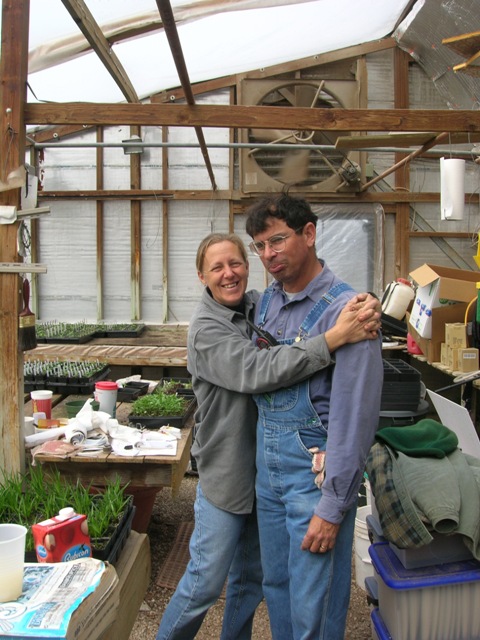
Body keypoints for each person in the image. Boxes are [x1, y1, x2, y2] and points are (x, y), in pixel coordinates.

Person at [156, 232, 381, 640]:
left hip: (269, 471)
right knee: (206, 580)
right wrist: (333, 337)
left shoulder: (258, 306)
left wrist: (363, 302)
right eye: (217, 268)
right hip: (226, 474)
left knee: (252, 580)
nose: (229, 274)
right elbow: (258, 371)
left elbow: (311, 298)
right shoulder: (207, 330)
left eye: (236, 263)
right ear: (201, 276)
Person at [245, 195, 383, 640]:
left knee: (314, 600)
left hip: (314, 471)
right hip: (269, 471)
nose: (268, 255)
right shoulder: (267, 300)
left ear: (309, 233)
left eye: (277, 240)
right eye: (260, 246)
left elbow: (355, 418)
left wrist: (333, 505)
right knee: (278, 585)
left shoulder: (350, 312)